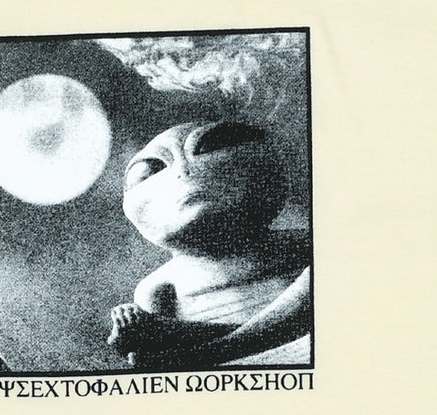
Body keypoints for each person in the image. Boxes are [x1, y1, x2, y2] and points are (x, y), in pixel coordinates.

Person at [107, 116, 312, 369]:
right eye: (150, 170)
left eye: (208, 147)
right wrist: (135, 330)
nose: (183, 170)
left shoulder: (302, 243)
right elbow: (155, 351)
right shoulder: (160, 287)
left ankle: (216, 351)